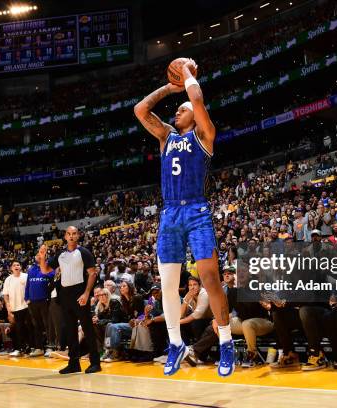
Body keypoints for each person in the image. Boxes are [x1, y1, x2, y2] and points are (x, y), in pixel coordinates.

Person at [134, 58, 234, 377]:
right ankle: (175, 345)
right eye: (176, 108)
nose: (177, 111)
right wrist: (170, 86)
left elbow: (197, 99)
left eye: (182, 108)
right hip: (170, 213)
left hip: (196, 210)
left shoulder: (204, 135)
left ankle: (228, 342)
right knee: (167, 284)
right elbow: (140, 110)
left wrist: (188, 73)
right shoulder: (165, 137)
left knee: (209, 277)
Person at [37, 226, 101, 374]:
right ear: (65, 236)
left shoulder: (84, 252)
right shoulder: (60, 254)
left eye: (74, 234)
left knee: (87, 328)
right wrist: (42, 256)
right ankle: (74, 364)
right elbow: (45, 270)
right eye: (69, 234)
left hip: (80, 293)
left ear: (78, 236)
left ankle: (95, 362)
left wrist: (86, 294)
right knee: (70, 330)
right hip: (65, 294)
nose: (71, 236)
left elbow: (92, 274)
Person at [3, 260, 33, 357]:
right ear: (11, 268)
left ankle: (30, 347)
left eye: (18, 265)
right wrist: (8, 309)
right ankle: (19, 348)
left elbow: (31, 289)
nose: (16, 266)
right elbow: (6, 295)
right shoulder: (8, 279)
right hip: (14, 308)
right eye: (14, 265)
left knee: (28, 327)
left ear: (20, 267)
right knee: (17, 329)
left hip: (26, 306)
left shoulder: (26, 276)